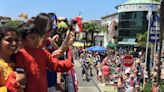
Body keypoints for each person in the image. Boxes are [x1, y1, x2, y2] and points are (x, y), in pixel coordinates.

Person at [15, 23, 73, 92]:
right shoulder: (20, 55)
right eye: (32, 38)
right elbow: (20, 81)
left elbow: (55, 64)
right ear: (23, 40)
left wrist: (69, 62)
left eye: (37, 37)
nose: (36, 40)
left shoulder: (42, 52)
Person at [0, 26, 26, 92]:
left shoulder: (19, 60)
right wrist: (11, 84)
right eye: (9, 40)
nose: (14, 43)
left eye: (16, 40)